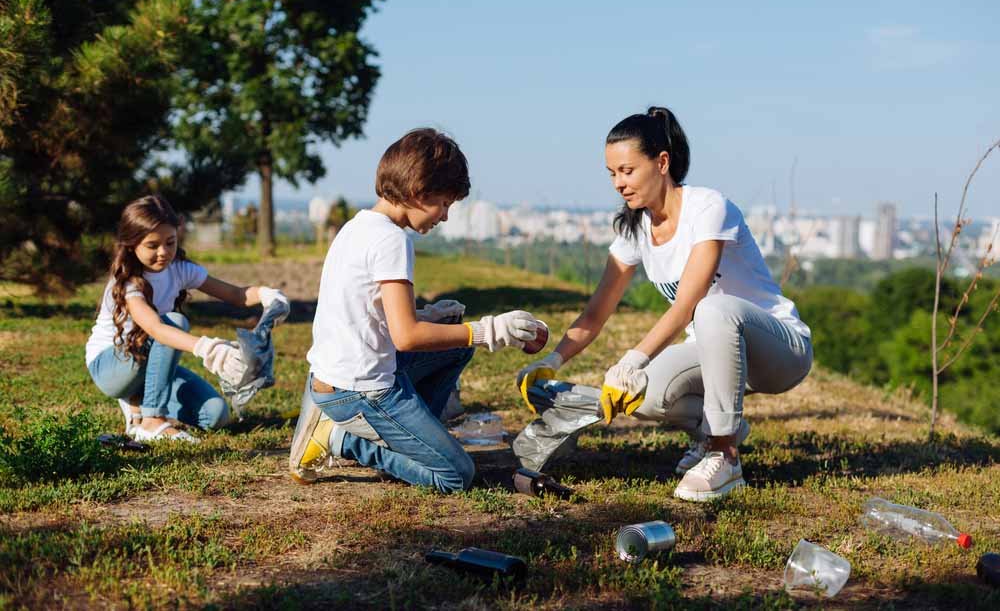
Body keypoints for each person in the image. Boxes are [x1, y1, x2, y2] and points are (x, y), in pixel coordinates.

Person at [516, 107, 812, 501]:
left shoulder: (708, 207)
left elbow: (688, 303)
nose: (619, 183)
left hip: (779, 352)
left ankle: (725, 457)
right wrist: (552, 360)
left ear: (661, 162)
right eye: (612, 173)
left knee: (711, 308)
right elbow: (596, 312)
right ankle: (715, 432)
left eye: (627, 170)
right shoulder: (636, 228)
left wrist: (632, 358)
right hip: (716, 354)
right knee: (644, 395)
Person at [289, 128, 544, 493]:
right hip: (360, 391)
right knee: (457, 475)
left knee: (457, 346)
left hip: (333, 379)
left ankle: (412, 439)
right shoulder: (392, 240)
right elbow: (406, 337)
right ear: (418, 193)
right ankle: (343, 441)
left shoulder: (357, 227)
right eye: (443, 204)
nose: (443, 217)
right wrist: (489, 330)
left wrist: (430, 315)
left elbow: (367, 314)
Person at [86, 195, 288, 442]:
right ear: (131, 244)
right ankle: (151, 420)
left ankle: (138, 402)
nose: (163, 253)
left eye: (170, 243)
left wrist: (268, 295)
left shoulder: (180, 269)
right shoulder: (127, 282)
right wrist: (208, 348)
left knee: (215, 415)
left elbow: (236, 295)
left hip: (146, 363)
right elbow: (156, 329)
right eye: (152, 245)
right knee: (175, 321)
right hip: (111, 367)